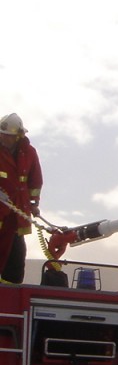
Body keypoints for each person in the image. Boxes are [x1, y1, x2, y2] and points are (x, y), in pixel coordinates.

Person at [0, 113, 43, 283]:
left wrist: (33, 203)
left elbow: (35, 180)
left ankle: (10, 294)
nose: (3, 138)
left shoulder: (29, 152)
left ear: (18, 136)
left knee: (16, 258)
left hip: (18, 213)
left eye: (7, 136)